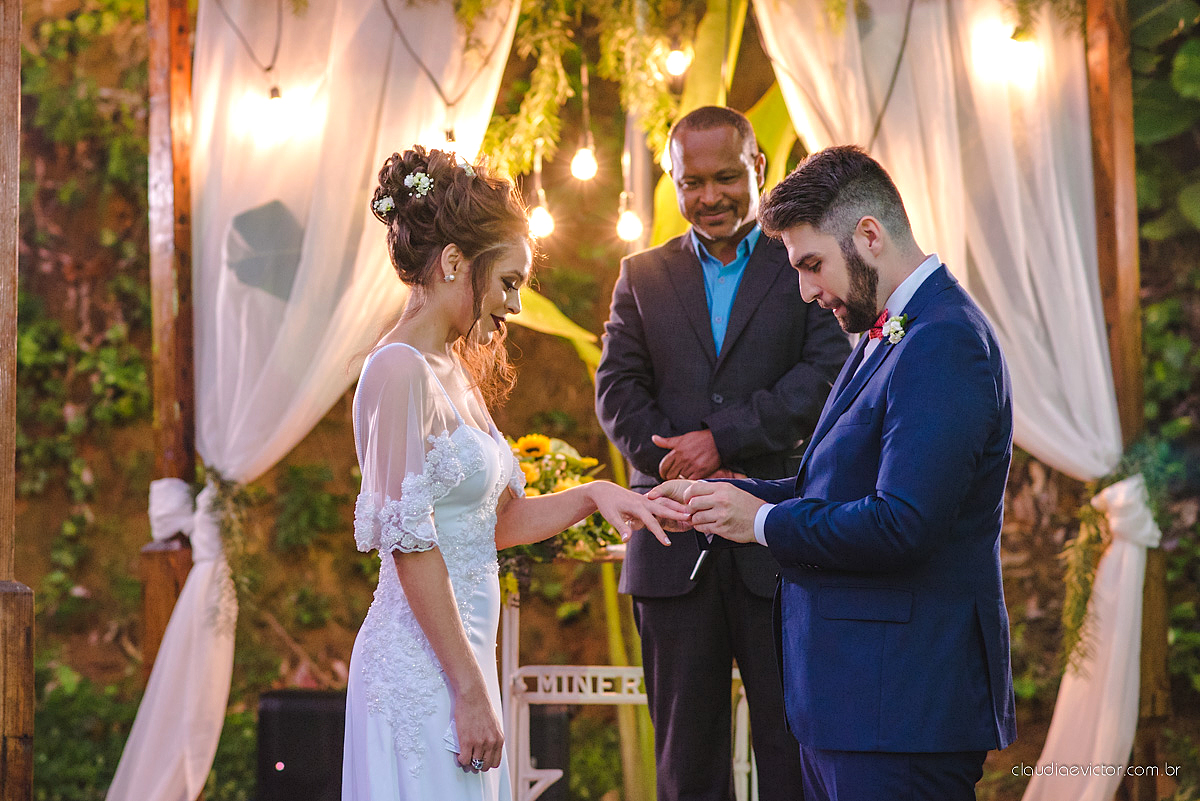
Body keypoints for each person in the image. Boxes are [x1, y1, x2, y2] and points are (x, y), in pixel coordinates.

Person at [651, 145, 1017, 801]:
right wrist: (724, 497)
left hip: (902, 706)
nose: (806, 291)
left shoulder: (945, 339)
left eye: (812, 264)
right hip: (851, 705)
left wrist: (763, 523)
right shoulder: (888, 332)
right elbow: (828, 485)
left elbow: (903, 523)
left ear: (869, 236)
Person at [342, 146, 686, 801]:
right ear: (453, 262)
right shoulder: (397, 370)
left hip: (462, 666)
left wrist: (594, 494)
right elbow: (411, 546)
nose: (516, 303)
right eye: (507, 281)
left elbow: (495, 523)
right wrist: (469, 689)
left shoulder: (451, 370)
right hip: (423, 673)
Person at [594, 107, 850, 801]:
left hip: (781, 546)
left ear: (758, 168)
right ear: (673, 180)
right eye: (693, 182)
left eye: (727, 177)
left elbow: (826, 374)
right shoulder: (640, 275)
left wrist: (722, 440)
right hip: (671, 544)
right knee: (686, 765)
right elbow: (616, 390)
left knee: (794, 753)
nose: (710, 196)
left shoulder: (802, 263)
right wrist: (678, 467)